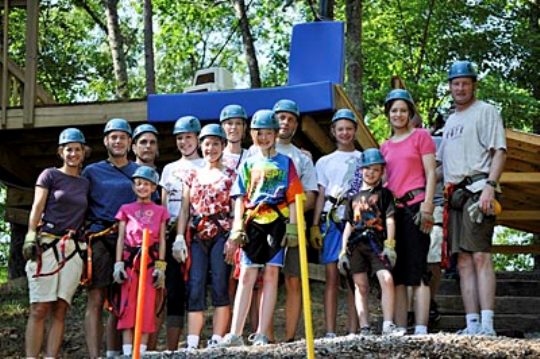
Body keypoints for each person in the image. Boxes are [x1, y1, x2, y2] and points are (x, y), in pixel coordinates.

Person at [218, 109, 303, 347]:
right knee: (246, 275)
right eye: (258, 133)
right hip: (252, 222)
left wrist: (293, 228)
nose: (263, 137)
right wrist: (237, 227)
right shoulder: (249, 163)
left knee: (271, 275)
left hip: (277, 222)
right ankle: (235, 333)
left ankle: (262, 332)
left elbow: (295, 196)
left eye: (268, 133)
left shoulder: (286, 163)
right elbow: (239, 197)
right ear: (252, 134)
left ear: (276, 134)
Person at [437, 60, 506, 336]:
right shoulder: (450, 121)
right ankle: (472, 322)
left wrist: (490, 185)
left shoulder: (486, 111)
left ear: (473, 85)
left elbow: (499, 151)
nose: (460, 88)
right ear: (450, 87)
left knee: (480, 255)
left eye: (465, 82)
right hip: (454, 195)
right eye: (456, 83)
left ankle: (488, 324)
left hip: (478, 189)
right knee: (462, 260)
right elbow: (441, 167)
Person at [23, 128, 89, 358]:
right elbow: (37, 206)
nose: (73, 154)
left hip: (73, 247)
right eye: (69, 149)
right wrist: (31, 233)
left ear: (83, 152)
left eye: (77, 149)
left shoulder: (85, 183)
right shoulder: (50, 175)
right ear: (61, 152)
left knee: (61, 308)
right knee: (40, 307)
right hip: (48, 243)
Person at [380, 89, 436, 335]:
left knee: (418, 268)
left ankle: (421, 327)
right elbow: (382, 181)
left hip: (416, 205)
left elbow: (432, 172)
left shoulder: (421, 136)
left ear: (410, 113)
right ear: (388, 114)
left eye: (403, 110)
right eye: (394, 110)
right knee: (398, 272)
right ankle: (401, 328)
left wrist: (428, 205)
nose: (399, 114)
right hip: (394, 212)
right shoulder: (384, 146)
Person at [175, 124, 236, 349]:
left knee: (220, 283)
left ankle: (217, 338)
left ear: (222, 145)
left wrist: (234, 237)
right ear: (201, 146)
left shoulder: (231, 175)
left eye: (215, 144)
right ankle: (192, 341)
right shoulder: (193, 175)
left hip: (221, 232)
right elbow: (184, 208)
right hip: (198, 234)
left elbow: (235, 207)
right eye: (207, 144)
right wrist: (180, 236)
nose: (211, 148)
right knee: (195, 283)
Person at [82, 118, 139, 358]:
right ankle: (96, 355)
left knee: (122, 299)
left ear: (129, 142)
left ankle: (115, 352)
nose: (118, 141)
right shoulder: (92, 171)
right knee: (97, 298)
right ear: (106, 141)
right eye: (113, 137)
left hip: (130, 239)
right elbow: (79, 203)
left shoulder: (139, 172)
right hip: (100, 236)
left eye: (122, 137)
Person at [337, 148, 405, 336]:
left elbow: (390, 219)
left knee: (386, 279)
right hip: (356, 244)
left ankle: (388, 323)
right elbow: (349, 225)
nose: (371, 173)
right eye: (367, 169)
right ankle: (364, 325)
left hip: (377, 242)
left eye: (376, 169)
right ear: (361, 170)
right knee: (360, 285)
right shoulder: (352, 198)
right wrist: (343, 251)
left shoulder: (385, 194)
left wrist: (390, 244)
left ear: (382, 172)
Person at [311, 108, 362, 337]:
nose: (345, 133)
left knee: (354, 275)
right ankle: (330, 330)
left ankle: (354, 328)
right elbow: (321, 194)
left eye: (349, 129)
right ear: (333, 131)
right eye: (340, 129)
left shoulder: (363, 159)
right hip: (331, 220)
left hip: (356, 219)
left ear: (355, 131)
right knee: (331, 276)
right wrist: (315, 224)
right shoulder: (324, 161)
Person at [272, 99, 318, 342]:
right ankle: (263, 336)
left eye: (290, 119)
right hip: (262, 223)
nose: (285, 122)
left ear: (296, 124)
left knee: (293, 279)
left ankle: (289, 337)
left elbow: (311, 195)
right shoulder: (257, 151)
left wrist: (289, 209)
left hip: (294, 224)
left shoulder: (302, 158)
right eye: (281, 117)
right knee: (263, 279)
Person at [113, 166, 168, 356]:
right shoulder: (126, 210)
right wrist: (118, 263)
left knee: (146, 308)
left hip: (150, 263)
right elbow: (121, 237)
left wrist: (161, 267)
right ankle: (128, 352)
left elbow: (161, 239)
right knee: (128, 307)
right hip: (130, 264)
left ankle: (141, 352)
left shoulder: (160, 211)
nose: (142, 187)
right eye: (138, 183)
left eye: (146, 184)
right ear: (133, 187)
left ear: (153, 188)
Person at [160, 115, 205, 350]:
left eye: (188, 137)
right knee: (174, 289)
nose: (184, 142)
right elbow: (164, 205)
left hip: (197, 231)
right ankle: (171, 347)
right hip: (172, 233)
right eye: (180, 138)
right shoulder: (169, 169)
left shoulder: (206, 164)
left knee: (196, 286)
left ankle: (193, 342)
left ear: (197, 138)